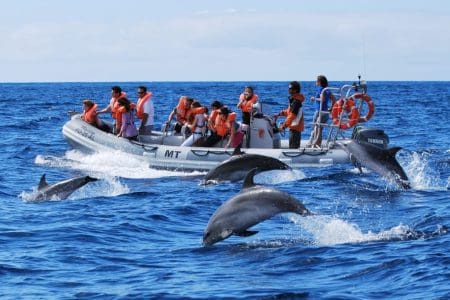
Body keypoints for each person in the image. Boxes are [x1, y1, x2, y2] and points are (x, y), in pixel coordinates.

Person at [274, 81, 305, 149]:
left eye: (290, 88)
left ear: (295, 90)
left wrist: (283, 126)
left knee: (293, 148)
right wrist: (279, 114)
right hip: (293, 128)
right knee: (293, 147)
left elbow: (291, 116)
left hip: (295, 129)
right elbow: (288, 112)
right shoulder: (294, 101)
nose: (288, 90)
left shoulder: (296, 102)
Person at [309, 75, 335, 148]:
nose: (315, 82)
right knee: (319, 129)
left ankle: (315, 145)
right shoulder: (327, 90)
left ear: (319, 82)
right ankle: (317, 144)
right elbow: (334, 99)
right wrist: (331, 108)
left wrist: (314, 98)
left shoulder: (321, 89)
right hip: (325, 112)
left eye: (316, 81)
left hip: (320, 112)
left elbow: (322, 99)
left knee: (317, 128)